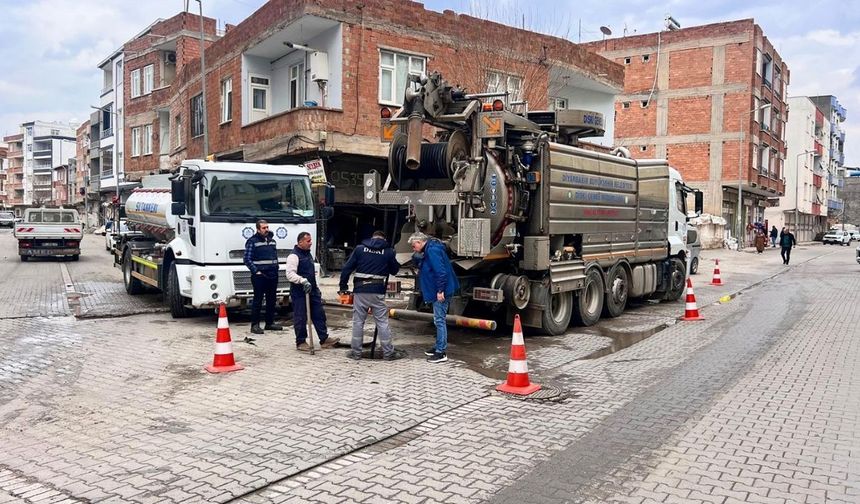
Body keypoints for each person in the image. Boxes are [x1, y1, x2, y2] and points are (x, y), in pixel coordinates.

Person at [339, 230, 404, 361]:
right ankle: (388, 353)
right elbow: (395, 270)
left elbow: (347, 268)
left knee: (358, 322)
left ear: (372, 237)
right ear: (384, 239)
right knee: (382, 322)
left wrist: (343, 286)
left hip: (360, 290)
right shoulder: (388, 251)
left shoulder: (359, 249)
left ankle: (356, 353)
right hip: (377, 291)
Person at [409, 232, 459, 363]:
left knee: (439, 320)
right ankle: (438, 346)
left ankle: (441, 352)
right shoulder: (431, 249)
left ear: (420, 242)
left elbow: (440, 271)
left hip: (441, 291)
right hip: (439, 289)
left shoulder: (432, 251)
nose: (414, 249)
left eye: (414, 246)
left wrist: (440, 290)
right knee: (438, 320)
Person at [285, 232, 339, 351]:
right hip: (299, 292)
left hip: (312, 290)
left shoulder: (308, 254)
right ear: (300, 242)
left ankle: (324, 339)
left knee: (319, 315)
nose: (311, 243)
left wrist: (316, 288)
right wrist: (302, 281)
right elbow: (289, 274)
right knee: (300, 317)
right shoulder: (293, 256)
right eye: (308, 241)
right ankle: (301, 342)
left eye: (310, 240)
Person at [243, 219, 283, 335]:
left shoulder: (272, 241)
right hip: (260, 276)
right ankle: (255, 325)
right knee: (258, 301)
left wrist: (276, 268)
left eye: (267, 227)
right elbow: (247, 259)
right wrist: (256, 271)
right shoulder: (252, 242)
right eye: (264, 228)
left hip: (272, 275)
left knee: (271, 300)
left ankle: (269, 323)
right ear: (258, 229)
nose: (266, 230)